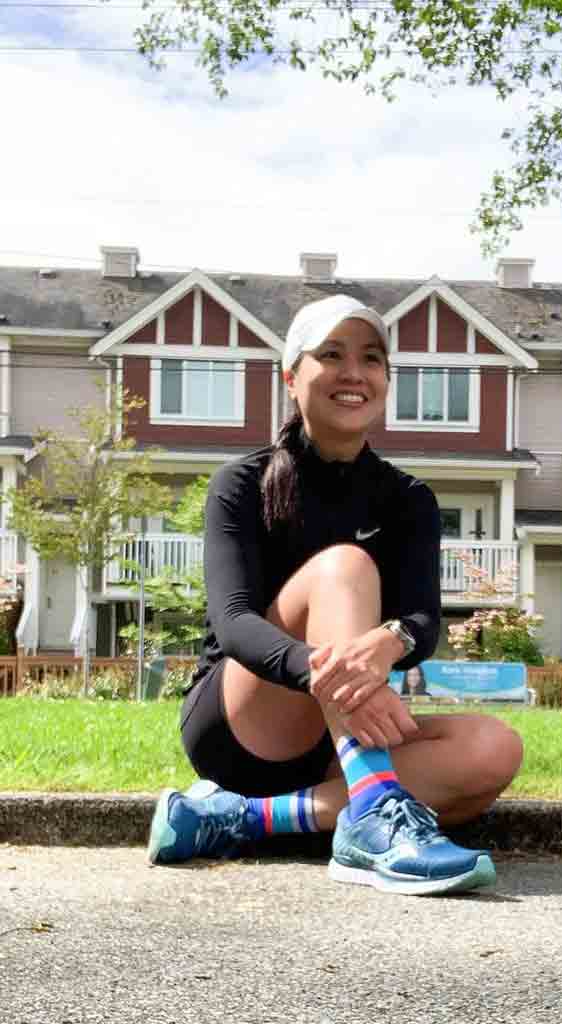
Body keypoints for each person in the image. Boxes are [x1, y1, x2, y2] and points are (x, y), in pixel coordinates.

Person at [146, 294, 523, 896]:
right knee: (345, 566)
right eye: (332, 354)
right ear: (292, 377)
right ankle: (372, 816)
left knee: (493, 749)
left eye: (372, 359)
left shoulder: (408, 500)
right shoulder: (241, 483)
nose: (355, 373)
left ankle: (239, 818)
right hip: (244, 724)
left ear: (385, 381)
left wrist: (387, 642)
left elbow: (423, 622)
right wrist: (327, 673)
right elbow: (235, 621)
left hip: (339, 734)